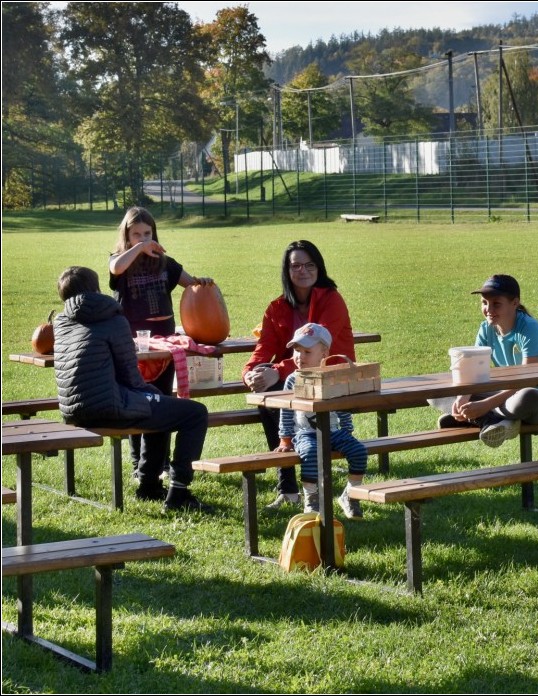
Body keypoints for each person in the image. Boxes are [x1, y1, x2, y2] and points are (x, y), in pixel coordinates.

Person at [53, 266, 212, 512]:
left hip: (74, 410)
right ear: (96, 289)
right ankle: (178, 492)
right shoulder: (112, 319)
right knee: (195, 413)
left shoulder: (61, 323)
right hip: (109, 406)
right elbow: (131, 376)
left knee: (159, 407)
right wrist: (154, 394)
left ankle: (149, 485)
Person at [243, 240, 356, 509]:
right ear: (287, 270)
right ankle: (289, 488)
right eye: (295, 265)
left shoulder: (332, 300)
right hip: (296, 380)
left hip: (331, 377)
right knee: (268, 396)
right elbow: (263, 350)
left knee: (277, 394)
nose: (302, 270)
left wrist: (277, 371)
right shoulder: (276, 307)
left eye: (309, 265)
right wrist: (250, 373)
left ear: (318, 268)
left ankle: (300, 482)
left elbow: (317, 350)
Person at [108, 206, 213, 480]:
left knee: (162, 401)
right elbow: (115, 267)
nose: (143, 238)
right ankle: (137, 465)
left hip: (164, 342)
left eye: (147, 233)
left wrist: (201, 282)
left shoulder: (165, 263)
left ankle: (161, 464)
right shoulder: (121, 260)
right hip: (134, 344)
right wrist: (138, 249)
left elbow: (189, 283)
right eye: (136, 234)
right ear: (127, 236)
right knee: (136, 401)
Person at [438, 274, 538, 448]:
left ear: (515, 303)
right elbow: (473, 372)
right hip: (504, 395)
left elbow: (527, 380)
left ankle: (481, 418)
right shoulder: (485, 328)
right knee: (438, 390)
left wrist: (486, 404)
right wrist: (463, 397)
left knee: (528, 395)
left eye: (496, 303)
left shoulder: (529, 328)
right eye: (484, 303)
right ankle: (497, 421)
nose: (489, 309)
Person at [274, 323, 369, 518]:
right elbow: (286, 409)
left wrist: (347, 429)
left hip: (334, 432)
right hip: (305, 433)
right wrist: (285, 438)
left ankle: (350, 495)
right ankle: (312, 499)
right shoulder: (293, 379)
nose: (300, 356)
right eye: (297, 351)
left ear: (324, 353)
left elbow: (342, 405)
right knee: (310, 453)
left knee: (359, 451)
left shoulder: (331, 377)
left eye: (307, 351)